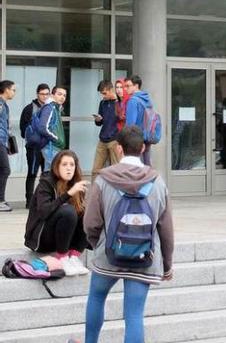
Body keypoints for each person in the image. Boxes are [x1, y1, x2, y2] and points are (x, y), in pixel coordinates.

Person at [84, 125, 174, 343]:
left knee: (96, 297)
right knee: (134, 315)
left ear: (118, 149)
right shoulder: (158, 181)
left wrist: (98, 243)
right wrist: (167, 264)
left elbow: (91, 223)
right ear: (143, 148)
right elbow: (166, 228)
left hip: (109, 254)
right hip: (144, 257)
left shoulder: (104, 179)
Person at [23, 150, 90, 276]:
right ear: (56, 167)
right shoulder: (46, 183)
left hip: (64, 238)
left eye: (72, 165)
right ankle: (62, 259)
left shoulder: (76, 185)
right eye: (64, 165)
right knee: (68, 211)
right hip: (42, 238)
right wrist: (67, 195)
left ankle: (73, 258)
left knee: (87, 213)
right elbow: (44, 212)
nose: (69, 168)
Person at [21, 83, 51, 208]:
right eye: (42, 94)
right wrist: (34, 138)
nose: (44, 97)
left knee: (47, 174)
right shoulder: (30, 108)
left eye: (47, 94)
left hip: (47, 147)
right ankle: (29, 201)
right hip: (34, 148)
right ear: (37, 94)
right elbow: (23, 128)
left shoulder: (51, 108)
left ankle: (44, 200)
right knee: (32, 173)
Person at [124, 76, 156, 165]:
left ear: (136, 86)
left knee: (136, 168)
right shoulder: (147, 99)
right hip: (148, 137)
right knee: (147, 165)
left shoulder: (133, 101)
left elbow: (130, 125)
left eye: (128, 86)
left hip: (136, 140)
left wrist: (124, 140)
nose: (126, 89)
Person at [92, 80, 120, 178]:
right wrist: (98, 119)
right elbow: (99, 123)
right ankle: (95, 192)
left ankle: (117, 193)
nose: (103, 96)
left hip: (115, 140)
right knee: (96, 170)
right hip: (102, 139)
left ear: (111, 89)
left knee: (116, 170)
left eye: (104, 93)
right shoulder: (102, 103)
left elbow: (123, 120)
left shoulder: (119, 102)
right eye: (101, 94)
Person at [36, 86, 67, 171]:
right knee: (57, 173)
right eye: (59, 94)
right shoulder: (50, 108)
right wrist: (56, 139)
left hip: (53, 147)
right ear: (52, 95)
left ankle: (44, 185)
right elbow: (43, 128)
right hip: (50, 147)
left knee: (49, 174)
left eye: (64, 95)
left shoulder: (56, 108)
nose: (62, 97)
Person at [0, 80, 15, 212]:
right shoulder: (0, 104)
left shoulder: (4, 105)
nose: (14, 92)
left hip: (2, 141)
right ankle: (0, 201)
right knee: (5, 169)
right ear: (6, 90)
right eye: (13, 90)